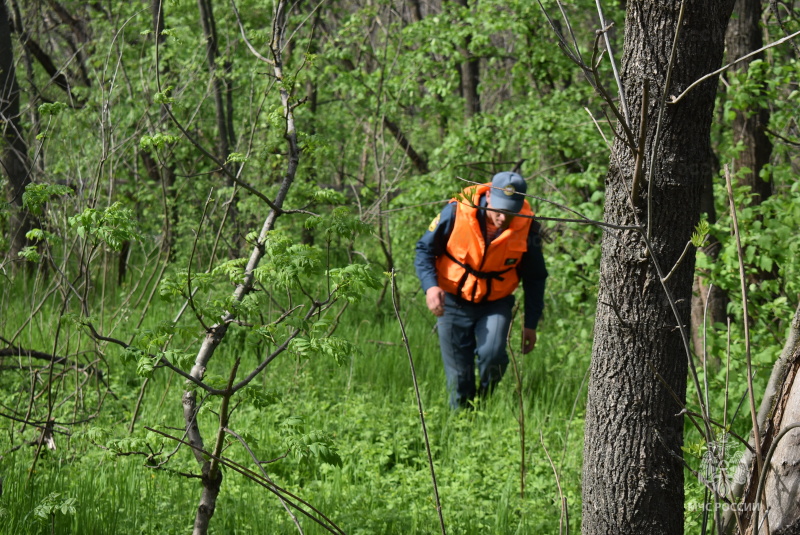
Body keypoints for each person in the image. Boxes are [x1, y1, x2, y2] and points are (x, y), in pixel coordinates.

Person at [414, 171, 548, 409]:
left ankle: (484, 405)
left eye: (510, 211)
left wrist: (531, 324)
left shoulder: (527, 227)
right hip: (452, 300)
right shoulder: (457, 211)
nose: (502, 217)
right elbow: (424, 249)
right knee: (459, 378)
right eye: (499, 210)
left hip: (495, 303)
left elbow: (535, 278)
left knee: (493, 356)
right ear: (489, 198)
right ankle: (462, 424)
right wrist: (430, 287)